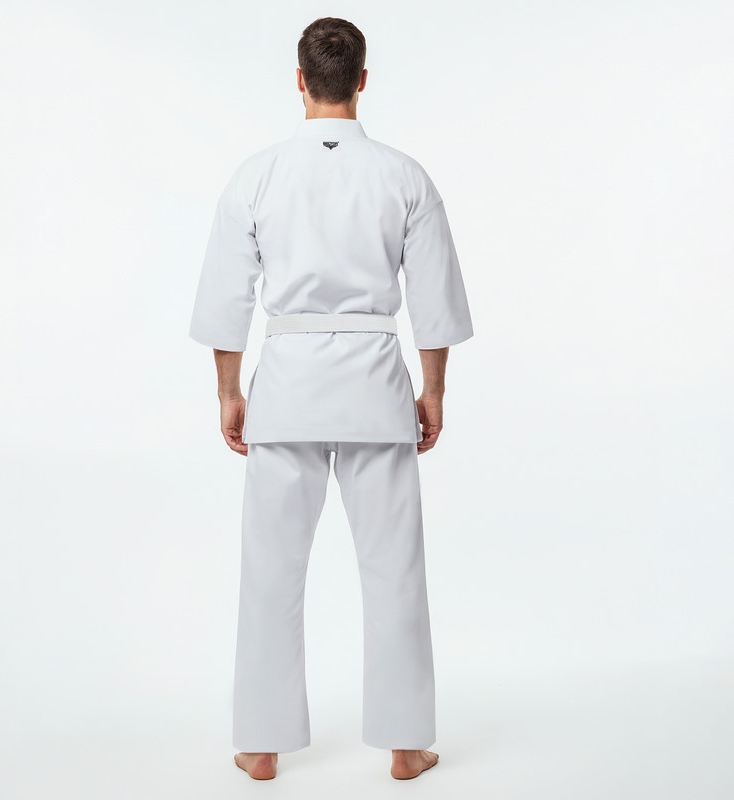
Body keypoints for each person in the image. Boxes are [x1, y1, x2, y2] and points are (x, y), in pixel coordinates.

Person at [188, 17, 473, 781]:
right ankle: (406, 745)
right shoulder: (403, 176)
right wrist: (433, 390)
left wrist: (228, 393)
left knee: (271, 571)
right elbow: (435, 298)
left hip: (286, 385)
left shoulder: (258, 175)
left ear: (300, 80)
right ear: (363, 81)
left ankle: (259, 745)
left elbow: (225, 298)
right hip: (376, 385)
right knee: (394, 569)